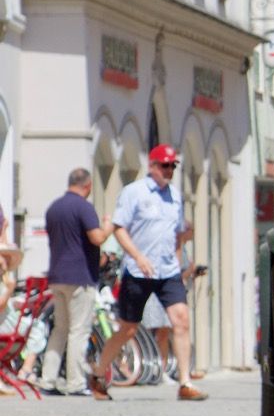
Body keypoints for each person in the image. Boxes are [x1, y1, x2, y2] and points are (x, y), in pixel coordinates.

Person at [91, 145, 202, 401]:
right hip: (138, 271)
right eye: (164, 165)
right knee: (128, 329)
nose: (169, 171)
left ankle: (184, 382)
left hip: (167, 271)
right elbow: (119, 228)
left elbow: (176, 234)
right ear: (152, 166)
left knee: (181, 320)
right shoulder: (134, 193)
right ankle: (98, 372)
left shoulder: (174, 196)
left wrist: (181, 252)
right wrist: (137, 257)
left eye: (173, 166)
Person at [38, 169, 111, 394]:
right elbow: (96, 237)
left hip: (57, 275)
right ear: (88, 186)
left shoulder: (54, 208)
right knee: (79, 330)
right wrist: (108, 225)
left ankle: (47, 380)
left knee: (60, 330)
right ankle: (76, 383)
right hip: (80, 276)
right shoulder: (84, 207)